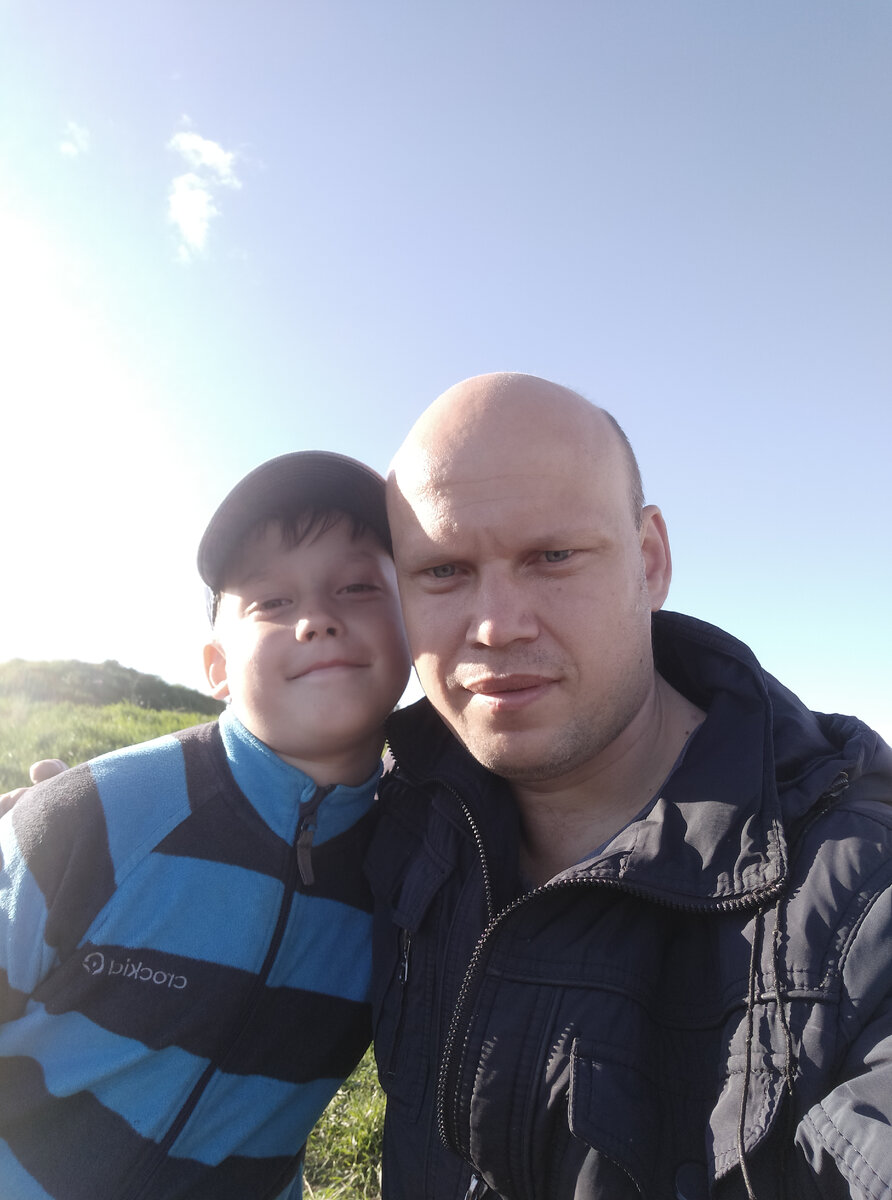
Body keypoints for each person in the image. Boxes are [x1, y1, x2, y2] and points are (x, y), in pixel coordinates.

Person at [368, 372, 892, 1199]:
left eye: (552, 557)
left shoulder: (855, 902)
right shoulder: (397, 814)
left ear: (649, 561)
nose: (496, 624)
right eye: (442, 571)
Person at [0, 451, 411, 1199]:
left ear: (412, 622)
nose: (318, 618)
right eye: (273, 602)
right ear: (217, 665)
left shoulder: (416, 867)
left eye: (357, 587)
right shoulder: (90, 819)